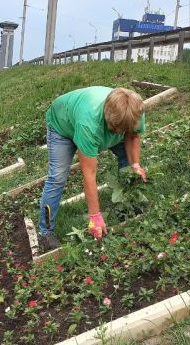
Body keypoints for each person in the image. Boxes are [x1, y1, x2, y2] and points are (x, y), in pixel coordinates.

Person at [38, 86, 147, 250]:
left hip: (96, 122)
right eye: (117, 128)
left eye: (124, 129)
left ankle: (128, 205)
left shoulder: (134, 111)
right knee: (57, 177)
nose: (119, 133)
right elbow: (89, 174)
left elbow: (133, 135)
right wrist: (95, 216)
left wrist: (136, 165)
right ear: (108, 116)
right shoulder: (89, 123)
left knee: (128, 160)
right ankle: (45, 233)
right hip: (62, 126)